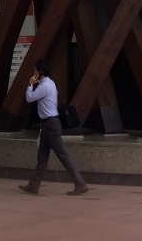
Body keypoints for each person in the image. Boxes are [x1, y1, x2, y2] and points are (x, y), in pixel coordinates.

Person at [20, 60, 87, 196]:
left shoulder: (44, 86)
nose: (33, 72)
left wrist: (30, 84)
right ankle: (33, 185)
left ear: (40, 73)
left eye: (35, 70)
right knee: (42, 157)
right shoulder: (51, 83)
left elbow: (29, 98)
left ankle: (80, 184)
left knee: (63, 155)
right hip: (48, 124)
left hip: (50, 124)